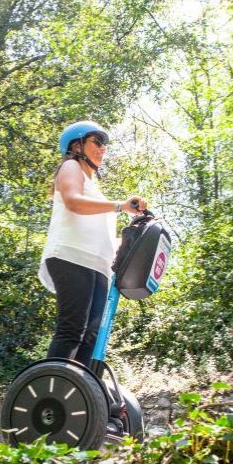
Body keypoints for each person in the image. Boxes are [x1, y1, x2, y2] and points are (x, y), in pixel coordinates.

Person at [39, 121, 147, 366]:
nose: (103, 148)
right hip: (70, 256)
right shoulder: (70, 166)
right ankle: (50, 395)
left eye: (105, 144)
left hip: (97, 265)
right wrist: (120, 206)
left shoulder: (95, 189)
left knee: (91, 338)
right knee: (72, 329)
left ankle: (80, 394)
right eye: (97, 141)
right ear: (77, 145)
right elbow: (74, 203)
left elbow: (97, 231)